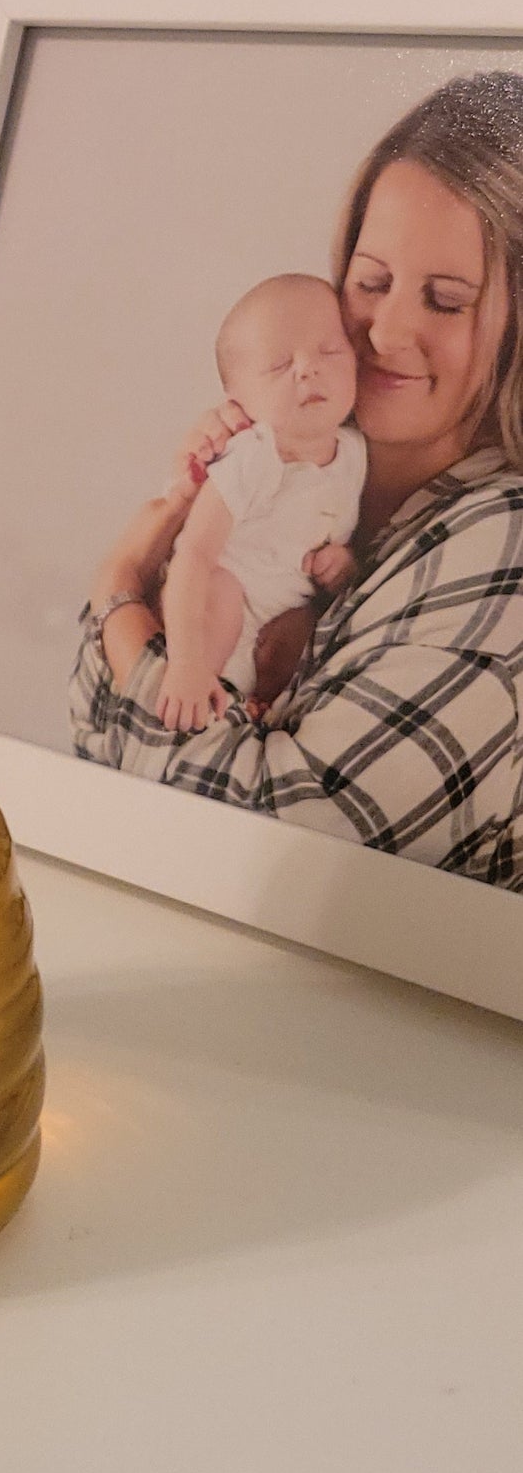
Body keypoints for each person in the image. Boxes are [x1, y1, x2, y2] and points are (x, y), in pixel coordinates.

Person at [72, 70, 523, 887]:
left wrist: (115, 603)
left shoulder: (504, 541)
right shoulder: (313, 472)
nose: (383, 331)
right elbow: (92, 761)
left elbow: (288, 847)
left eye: (446, 300)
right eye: (371, 281)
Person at [157, 273, 364, 732]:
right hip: (215, 610)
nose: (308, 368)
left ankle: (250, 707)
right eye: (278, 365)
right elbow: (193, 555)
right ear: (238, 402)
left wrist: (343, 562)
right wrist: (187, 661)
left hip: (279, 626)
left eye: (329, 350)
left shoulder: (355, 454)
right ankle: (205, 695)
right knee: (223, 593)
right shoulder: (255, 455)